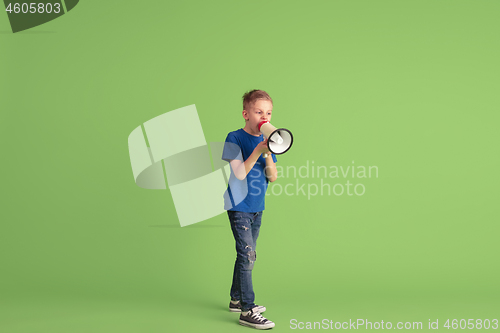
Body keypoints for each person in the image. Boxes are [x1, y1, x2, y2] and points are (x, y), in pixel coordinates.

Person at [221, 89, 278, 329]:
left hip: (257, 207)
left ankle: (236, 298)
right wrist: (257, 150)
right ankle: (247, 309)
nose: (264, 117)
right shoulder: (234, 138)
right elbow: (239, 173)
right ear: (246, 114)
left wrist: (268, 153)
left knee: (247, 253)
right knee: (248, 255)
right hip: (238, 205)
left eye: (268, 112)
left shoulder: (268, 142)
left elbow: (273, 177)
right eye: (258, 112)